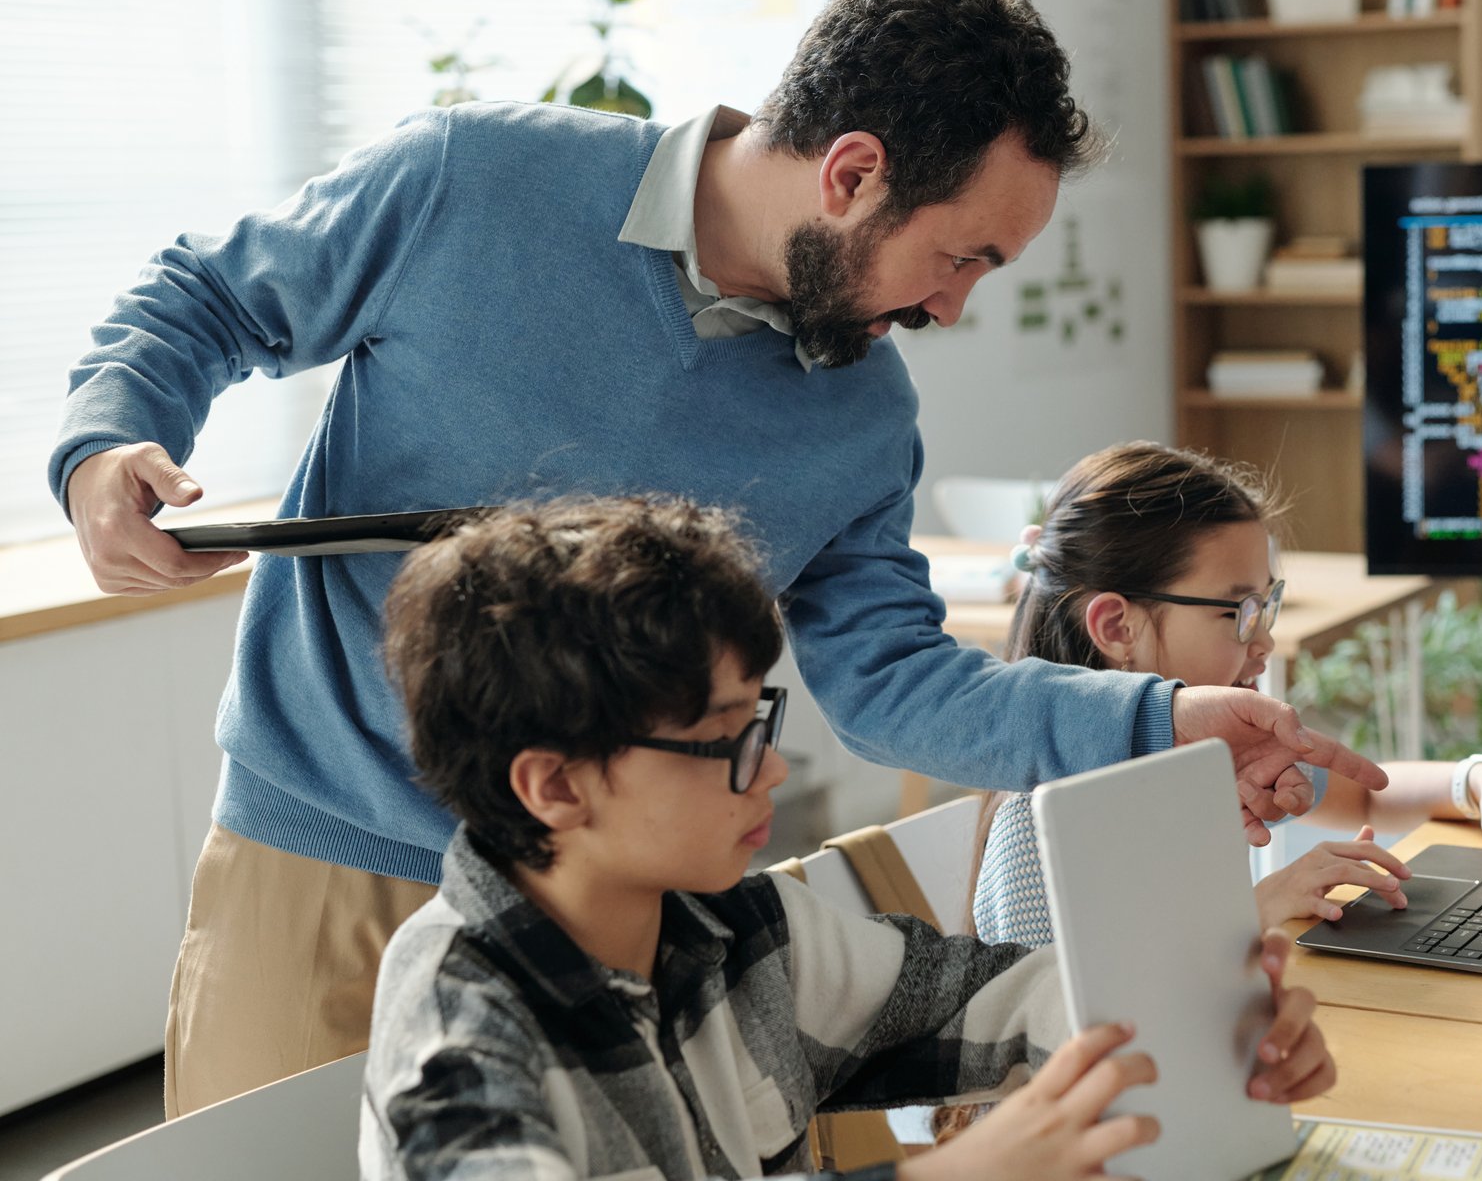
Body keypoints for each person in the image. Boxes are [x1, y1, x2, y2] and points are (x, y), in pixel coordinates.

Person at [52, 0, 1384, 1115]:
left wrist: (1163, 719)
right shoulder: (474, 181)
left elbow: (896, 685)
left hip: (616, 913)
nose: (959, 307)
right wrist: (107, 449)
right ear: (853, 173)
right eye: (963, 257)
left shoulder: (864, 415)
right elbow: (204, 300)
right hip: (330, 861)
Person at [362, 495, 1335, 1180]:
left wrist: (1208, 1010)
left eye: (761, 719)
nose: (772, 767)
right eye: (720, 742)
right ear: (555, 784)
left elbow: (974, 996)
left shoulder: (730, 919)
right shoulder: (462, 1042)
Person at [966, 441, 1482, 949]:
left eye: (1267, 604)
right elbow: (1043, 1039)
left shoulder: (1206, 753)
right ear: (1116, 627)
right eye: (1237, 612)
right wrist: (1257, 910)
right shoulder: (1036, 821)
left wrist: (1481, 781)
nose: (1266, 641)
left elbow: (1358, 792)